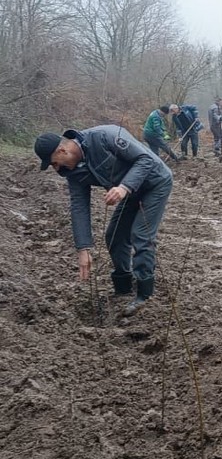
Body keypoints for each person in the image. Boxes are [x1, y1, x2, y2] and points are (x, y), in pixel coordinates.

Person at [34, 125, 173, 316]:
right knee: (114, 236)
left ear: (62, 150)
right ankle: (124, 287)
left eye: (54, 163)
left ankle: (144, 294)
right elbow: (79, 207)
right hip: (130, 193)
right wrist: (83, 248)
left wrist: (124, 187)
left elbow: (145, 159)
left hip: (155, 183)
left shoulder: (105, 137)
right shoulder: (72, 173)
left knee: (141, 235)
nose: (56, 168)